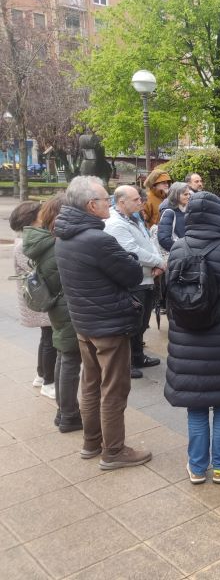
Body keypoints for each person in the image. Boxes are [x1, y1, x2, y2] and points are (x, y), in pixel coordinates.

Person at [54, 176, 150, 469]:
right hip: (108, 324)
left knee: (92, 383)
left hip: (84, 322)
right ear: (90, 206)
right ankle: (114, 451)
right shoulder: (98, 239)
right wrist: (131, 257)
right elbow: (132, 275)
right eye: (104, 200)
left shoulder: (64, 235)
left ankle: (91, 441)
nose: (109, 203)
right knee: (114, 388)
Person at [164, 192, 220, 484]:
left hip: (185, 340)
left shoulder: (177, 248)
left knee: (196, 407)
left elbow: (169, 293)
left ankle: (197, 466)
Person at [23, 195, 82, 432]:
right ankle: (68, 415)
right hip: (66, 305)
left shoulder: (45, 241)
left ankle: (63, 412)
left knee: (63, 356)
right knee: (69, 359)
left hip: (58, 306)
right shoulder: (57, 244)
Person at [104, 185, 165, 379]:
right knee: (131, 324)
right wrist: (158, 262)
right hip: (134, 279)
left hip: (147, 277)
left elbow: (148, 242)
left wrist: (158, 262)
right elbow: (131, 250)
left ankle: (138, 356)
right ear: (121, 202)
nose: (141, 202)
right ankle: (126, 363)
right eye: (136, 200)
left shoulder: (134, 218)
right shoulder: (115, 223)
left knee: (142, 322)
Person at [11, 201, 57, 398]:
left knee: (46, 337)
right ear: (32, 218)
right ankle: (49, 382)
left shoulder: (31, 239)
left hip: (39, 299)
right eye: (41, 212)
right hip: (40, 299)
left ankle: (41, 375)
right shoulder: (24, 244)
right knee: (50, 340)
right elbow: (37, 270)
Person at [158, 182, 190, 253]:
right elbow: (164, 239)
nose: (188, 197)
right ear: (176, 195)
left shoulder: (184, 209)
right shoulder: (169, 212)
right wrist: (180, 250)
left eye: (189, 194)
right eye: (185, 194)